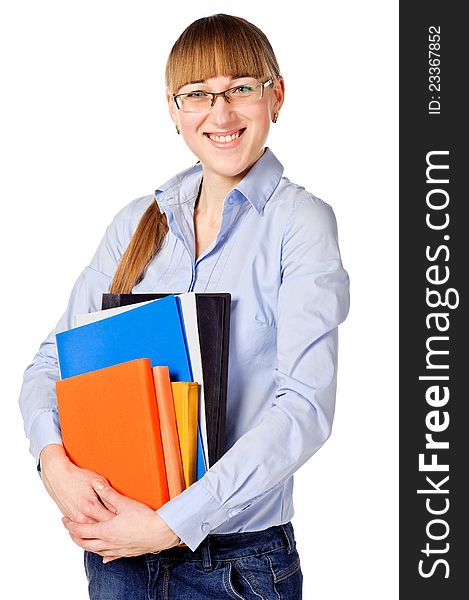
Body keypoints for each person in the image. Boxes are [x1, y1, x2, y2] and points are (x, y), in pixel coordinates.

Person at [19, 13, 349, 599]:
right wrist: (54, 466)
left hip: (236, 566)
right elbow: (51, 363)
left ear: (276, 95)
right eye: (197, 94)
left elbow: (304, 406)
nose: (220, 115)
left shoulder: (301, 223)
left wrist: (171, 522)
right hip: (117, 558)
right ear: (174, 111)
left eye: (240, 89)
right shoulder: (137, 224)